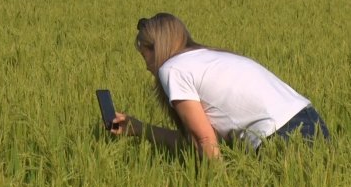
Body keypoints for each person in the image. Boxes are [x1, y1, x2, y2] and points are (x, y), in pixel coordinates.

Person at [111, 13, 330, 159]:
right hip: (314, 123)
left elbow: (205, 141)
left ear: (156, 49)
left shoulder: (172, 69)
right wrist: (138, 128)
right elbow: (195, 140)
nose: (147, 66)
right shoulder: (211, 58)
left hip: (281, 137)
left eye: (145, 56)